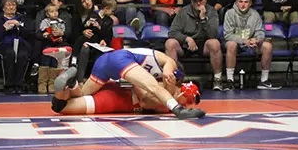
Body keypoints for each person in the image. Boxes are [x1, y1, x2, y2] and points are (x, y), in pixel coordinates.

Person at [52, 48, 205, 119]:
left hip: (107, 63)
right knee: (151, 85)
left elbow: (144, 95)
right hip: (122, 61)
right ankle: (178, 110)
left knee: (72, 99)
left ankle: (66, 73)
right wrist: (170, 85)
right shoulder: (169, 64)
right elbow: (164, 74)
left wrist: (169, 88)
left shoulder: (161, 85)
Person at [166, 0, 224, 89]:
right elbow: (172, 32)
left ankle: (217, 79)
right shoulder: (183, 12)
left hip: (204, 43)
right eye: (195, 1)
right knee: (170, 43)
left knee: (215, 43)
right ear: (191, 2)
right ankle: (173, 79)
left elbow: (213, 34)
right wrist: (186, 38)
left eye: (201, 0)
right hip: (185, 44)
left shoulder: (211, 11)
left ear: (205, 0)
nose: (198, 3)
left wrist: (203, 19)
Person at [222, 0, 275, 90]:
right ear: (237, 2)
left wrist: (257, 40)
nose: (243, 4)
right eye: (241, 1)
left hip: (251, 44)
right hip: (236, 44)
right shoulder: (230, 13)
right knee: (231, 44)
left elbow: (260, 31)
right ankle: (230, 81)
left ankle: (264, 81)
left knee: (267, 46)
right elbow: (227, 35)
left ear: (250, 3)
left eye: (246, 2)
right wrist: (243, 41)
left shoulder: (255, 14)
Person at [0, 0, 33, 93]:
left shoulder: (21, 17)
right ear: (3, 7)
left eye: (13, 5)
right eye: (8, 5)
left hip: (21, 43)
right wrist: (4, 28)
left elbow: (29, 33)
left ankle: (18, 84)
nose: (11, 7)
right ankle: (9, 85)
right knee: (10, 54)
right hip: (3, 44)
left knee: (23, 55)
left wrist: (19, 26)